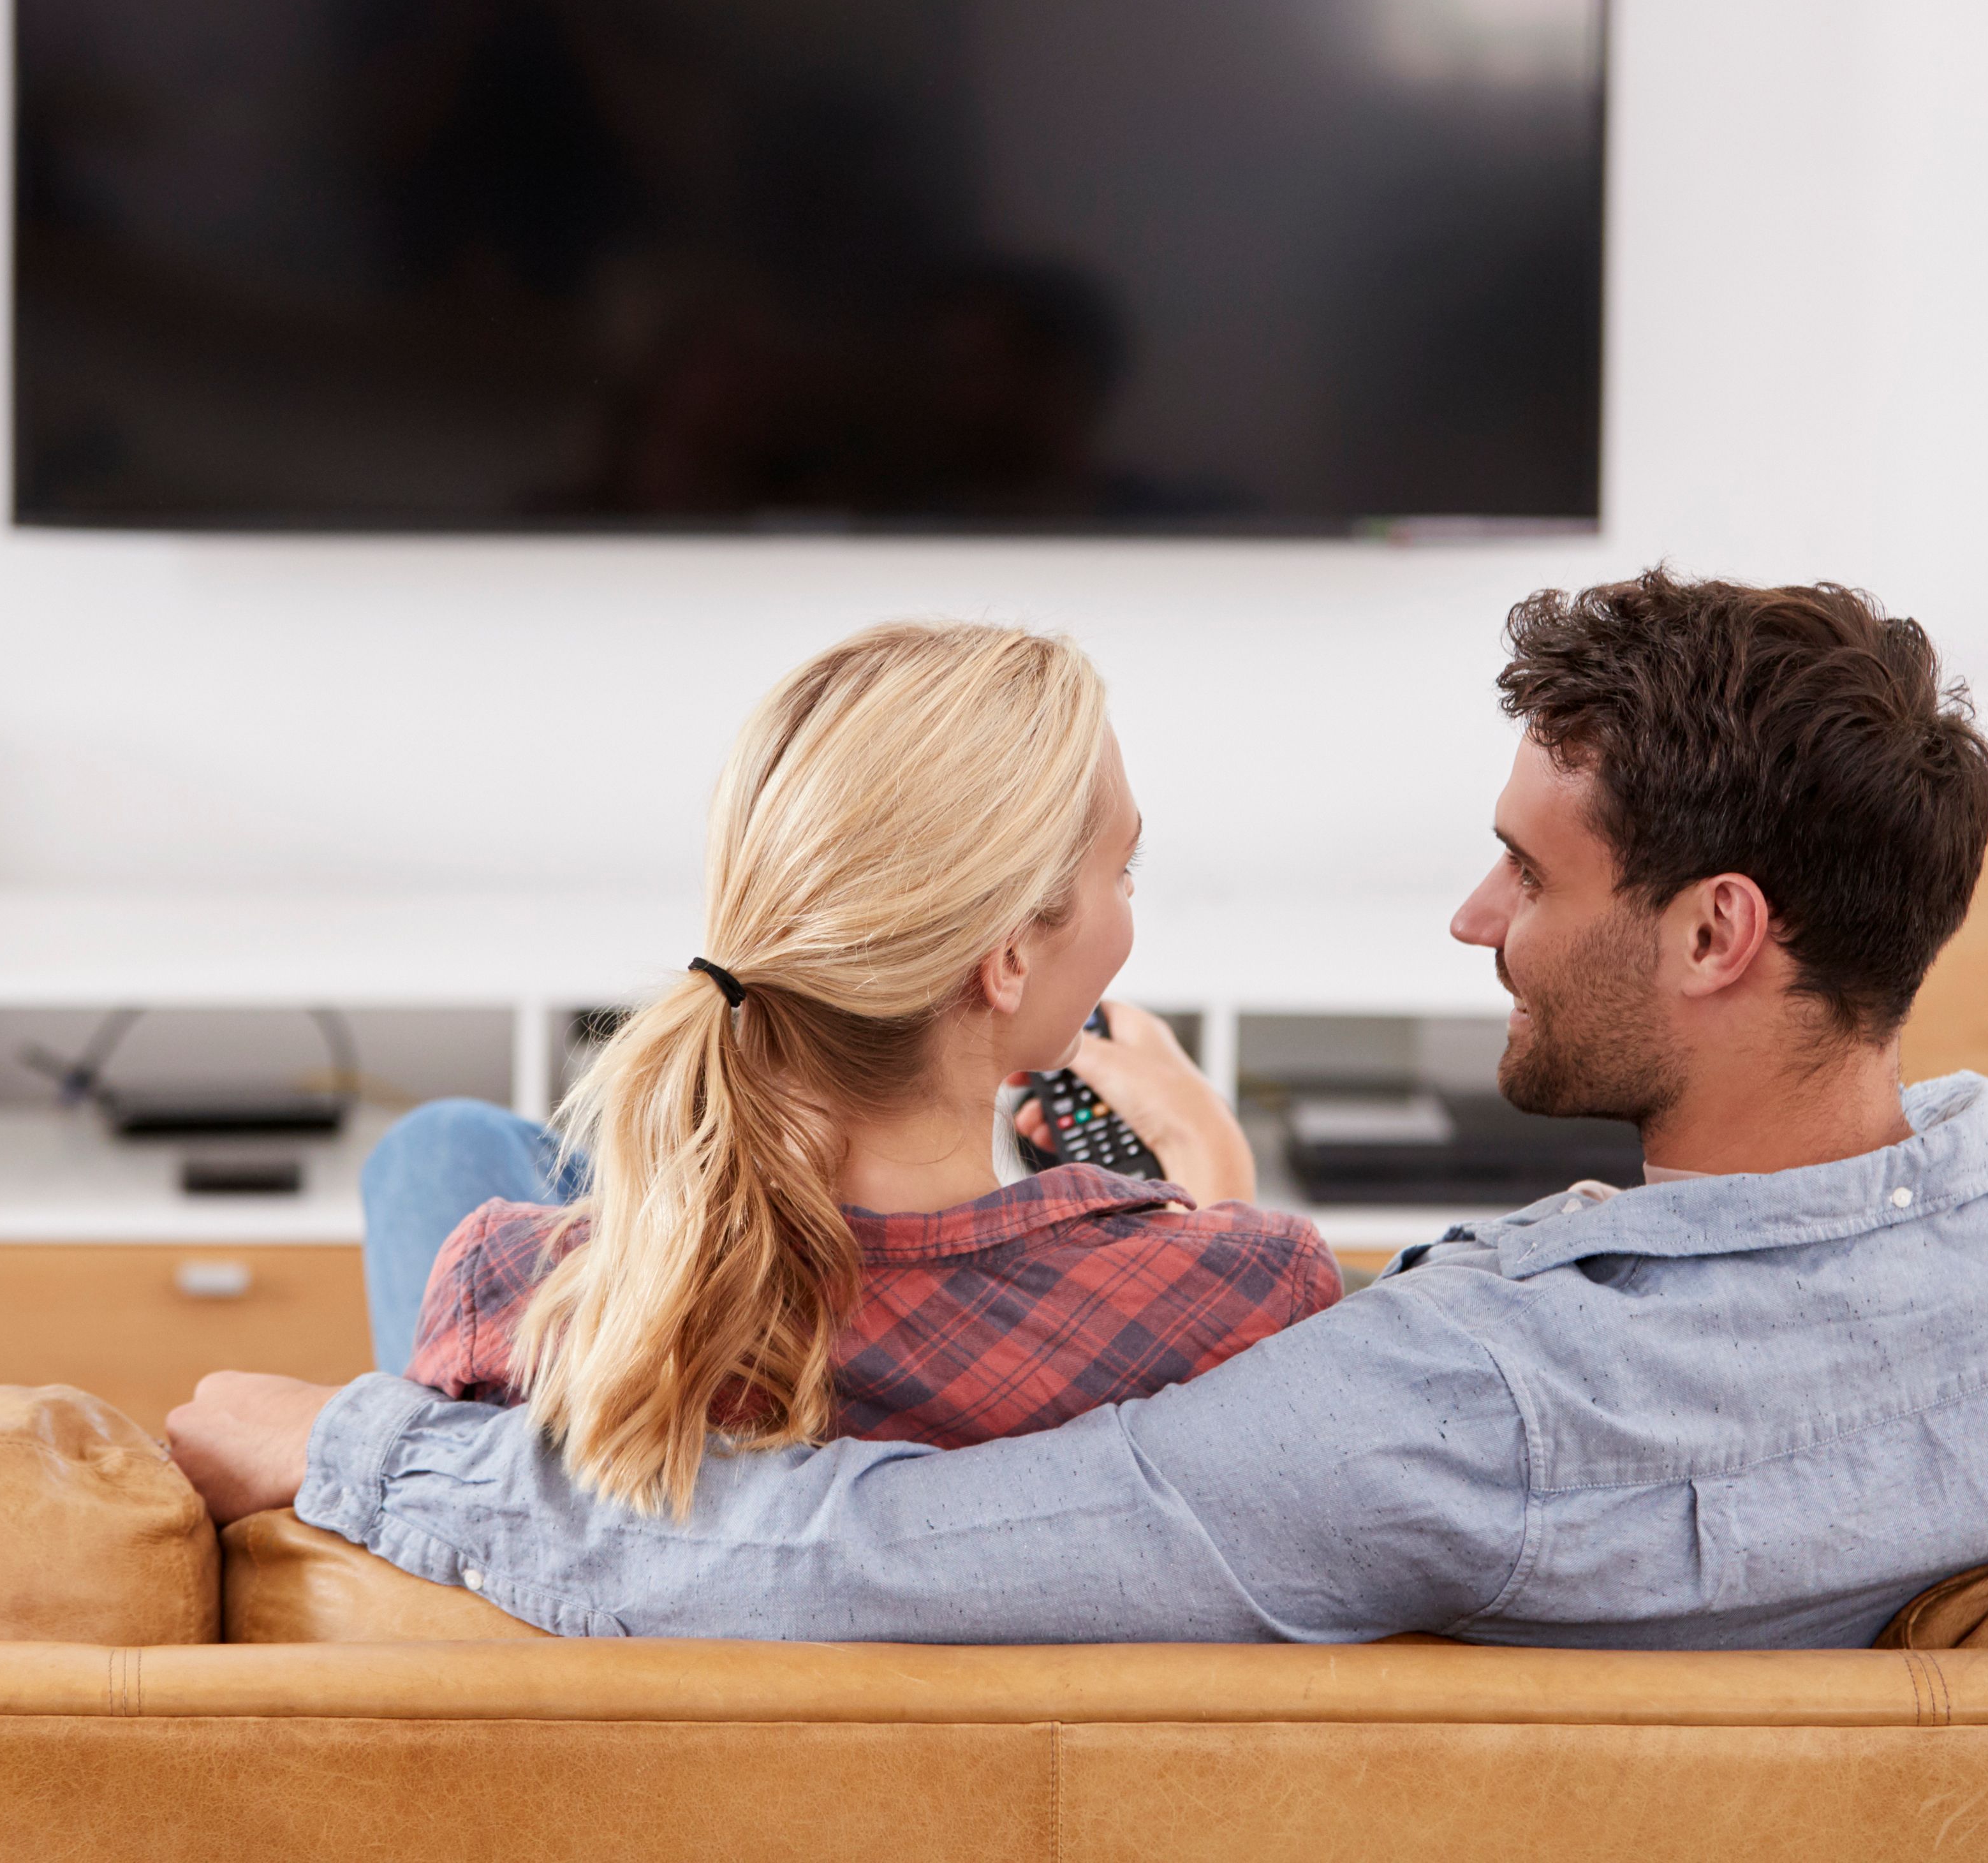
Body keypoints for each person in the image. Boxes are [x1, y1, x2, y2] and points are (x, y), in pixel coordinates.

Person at [171, 572, 1988, 1649]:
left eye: (1527, 873)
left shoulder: (1449, 1397)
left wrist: (354, 1443)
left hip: (653, 1448)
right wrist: (1215, 1216)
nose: (1472, 913)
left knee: (470, 1169)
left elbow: (853, 1558)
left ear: (1722, 929)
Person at [368, 620, 1344, 1515]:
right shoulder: (1249, 1290)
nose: (1129, 900)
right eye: (1123, 870)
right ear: (1006, 960)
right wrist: (1206, 1157)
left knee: (448, 1145)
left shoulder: (504, 1293)